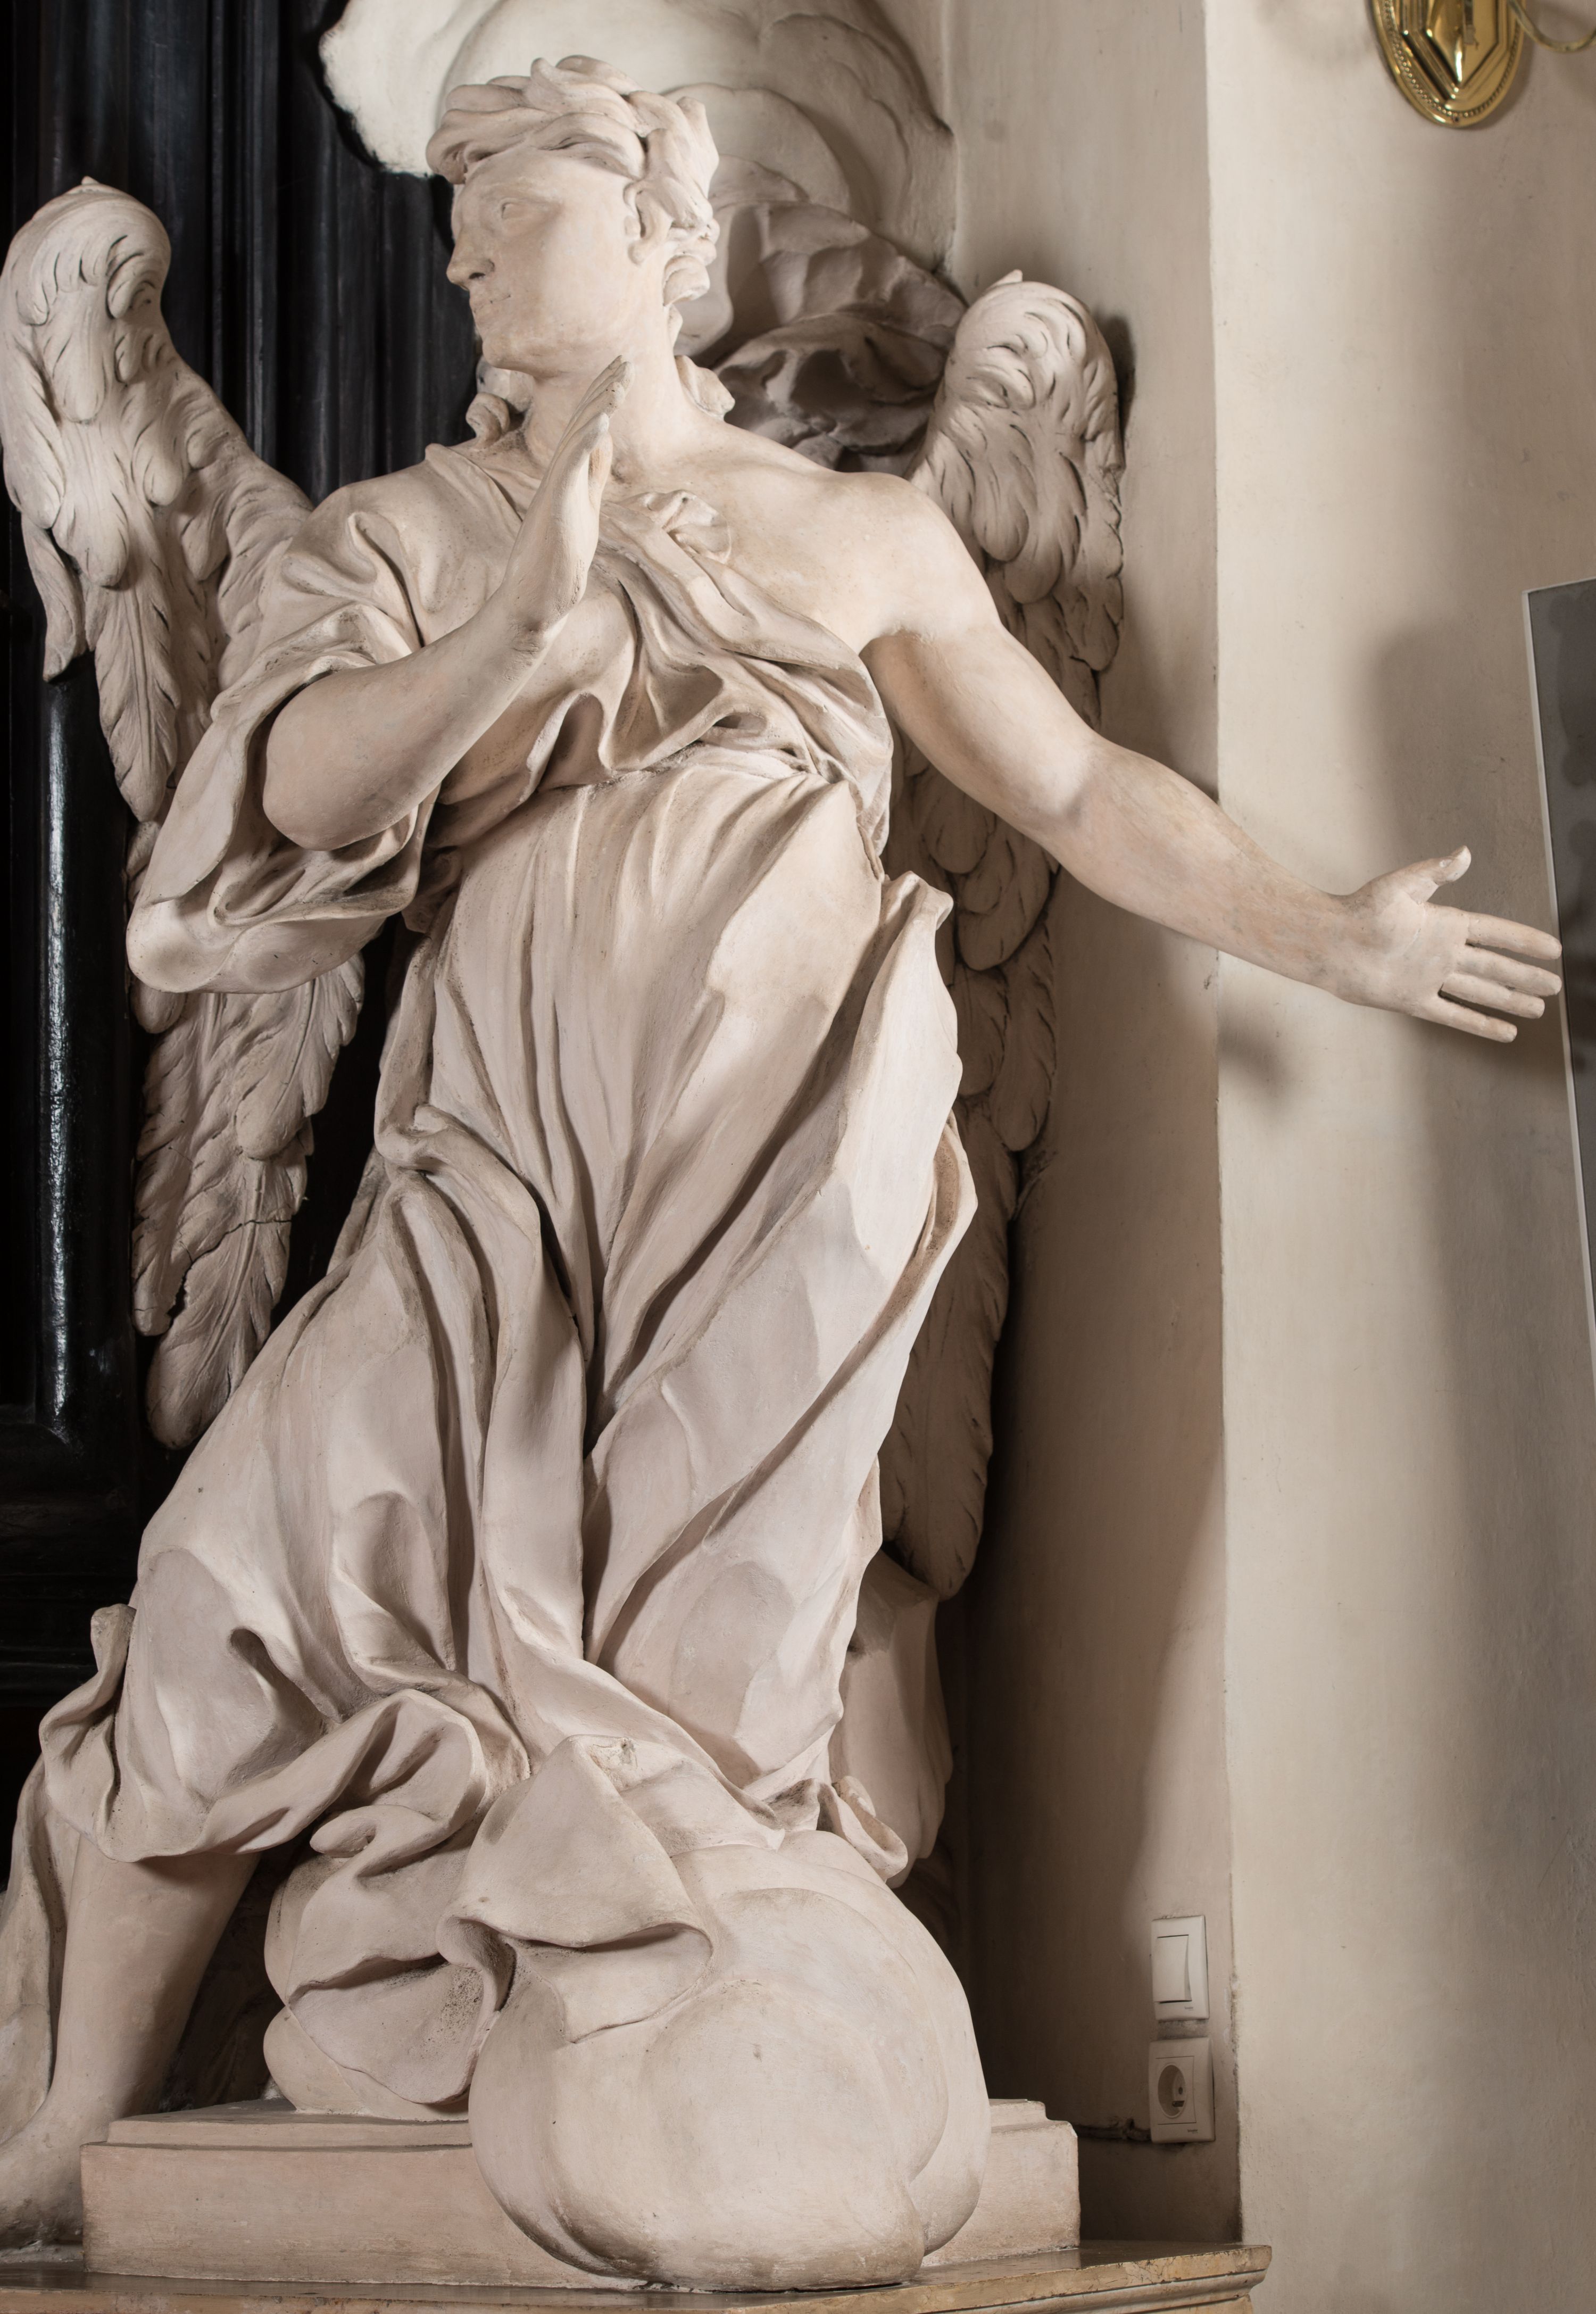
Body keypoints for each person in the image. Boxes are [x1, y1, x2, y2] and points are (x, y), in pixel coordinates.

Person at [0, 54, 1560, 2284]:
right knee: (244, 1559)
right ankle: (78, 2106)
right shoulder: (400, 536)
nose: (467, 252)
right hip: (496, 1177)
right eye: (455, 218)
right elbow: (277, 800)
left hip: (776, 1180)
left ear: (662, 233)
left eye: (517, 207)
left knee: (716, 1675)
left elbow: (1071, 790)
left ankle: (699, 2056)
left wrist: (1333, 935)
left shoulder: (864, 537)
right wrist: (512, 641)